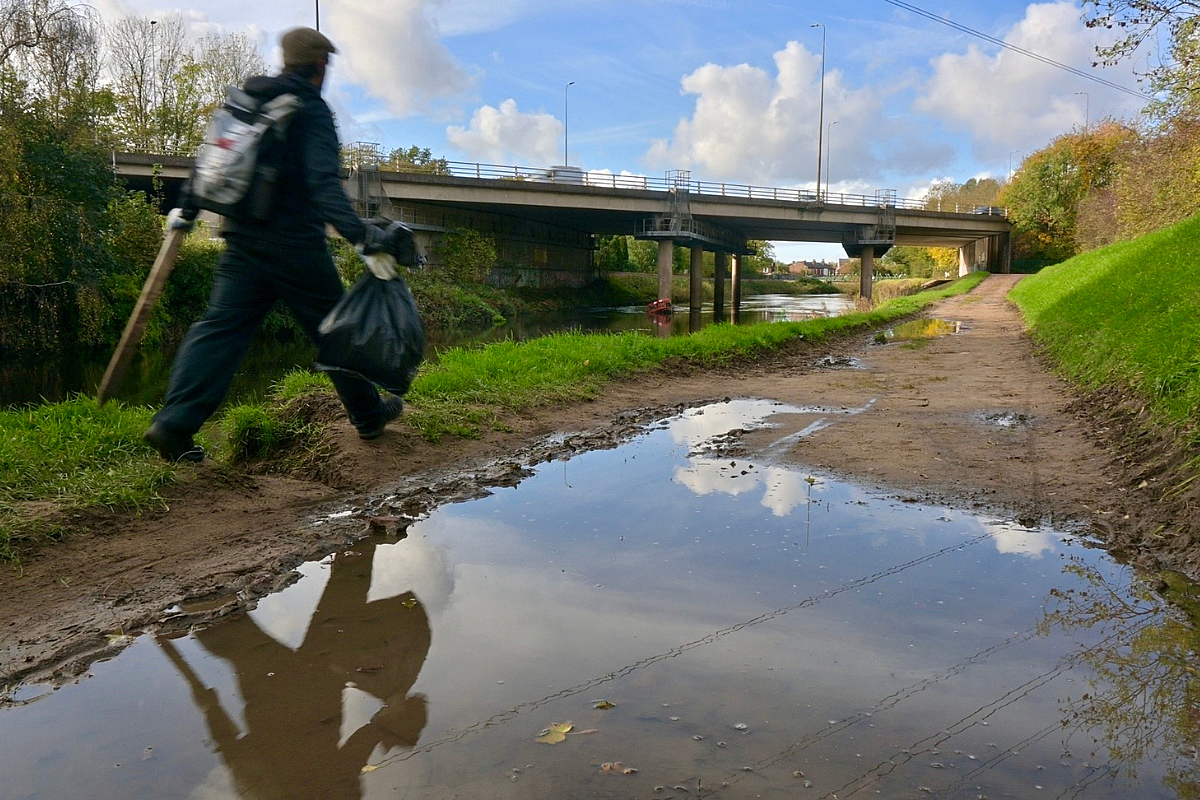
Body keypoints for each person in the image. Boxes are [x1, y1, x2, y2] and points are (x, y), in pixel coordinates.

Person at [144, 27, 404, 463]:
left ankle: (173, 425)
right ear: (321, 66)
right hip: (296, 245)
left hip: (242, 239)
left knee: (220, 328)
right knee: (335, 330)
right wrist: (364, 237)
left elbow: (212, 158)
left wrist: (186, 209)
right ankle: (369, 414)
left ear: (285, 61)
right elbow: (324, 186)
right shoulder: (310, 108)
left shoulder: (248, 99)